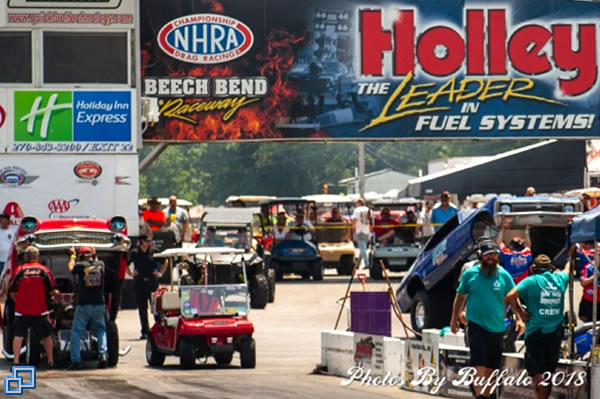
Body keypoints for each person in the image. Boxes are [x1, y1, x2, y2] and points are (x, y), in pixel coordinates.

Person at [450, 240, 519, 399]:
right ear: (480, 256)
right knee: (479, 363)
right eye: (487, 255)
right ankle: (481, 395)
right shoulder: (470, 274)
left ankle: (484, 395)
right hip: (476, 325)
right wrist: (454, 319)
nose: (491, 258)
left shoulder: (504, 275)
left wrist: (520, 318)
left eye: (494, 255)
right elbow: (460, 298)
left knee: (492, 367)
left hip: (497, 328)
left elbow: (513, 297)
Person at [506, 254, 570, 399]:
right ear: (551, 268)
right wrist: (570, 257)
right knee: (547, 373)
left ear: (533, 268)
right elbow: (568, 270)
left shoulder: (531, 281)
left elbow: (510, 295)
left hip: (536, 333)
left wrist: (520, 313)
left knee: (538, 372)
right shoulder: (560, 278)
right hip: (555, 334)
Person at [9, 246, 59, 368]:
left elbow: (11, 290)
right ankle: (51, 361)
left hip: (22, 310)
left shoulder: (19, 270)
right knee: (46, 336)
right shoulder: (43, 270)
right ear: (37, 257)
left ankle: (15, 362)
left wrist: (19, 301)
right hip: (39, 310)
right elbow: (51, 290)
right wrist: (57, 294)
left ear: (26, 257)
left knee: (18, 336)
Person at [67, 246, 108, 370]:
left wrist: (72, 256)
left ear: (81, 256)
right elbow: (97, 260)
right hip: (99, 304)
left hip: (84, 304)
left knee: (77, 332)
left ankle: (76, 360)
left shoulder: (81, 266)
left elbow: (70, 269)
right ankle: (103, 356)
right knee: (101, 330)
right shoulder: (101, 265)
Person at [128, 235, 167, 339]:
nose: (149, 243)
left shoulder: (154, 251)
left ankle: (159, 330)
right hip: (139, 282)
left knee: (155, 307)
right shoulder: (135, 253)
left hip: (152, 282)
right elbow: (126, 263)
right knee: (142, 308)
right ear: (141, 242)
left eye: (150, 241)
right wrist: (131, 273)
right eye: (146, 241)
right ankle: (145, 331)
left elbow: (165, 261)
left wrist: (160, 273)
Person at [578, 252, 600, 322]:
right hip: (589, 300)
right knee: (585, 318)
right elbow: (583, 283)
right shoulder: (589, 267)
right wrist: (594, 277)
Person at [352, 198, 371, 268]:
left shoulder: (357, 210)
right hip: (366, 230)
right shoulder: (368, 210)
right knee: (363, 247)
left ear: (359, 203)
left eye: (356, 203)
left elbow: (354, 219)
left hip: (359, 230)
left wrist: (352, 227)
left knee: (362, 248)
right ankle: (358, 264)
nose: (356, 204)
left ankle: (367, 263)